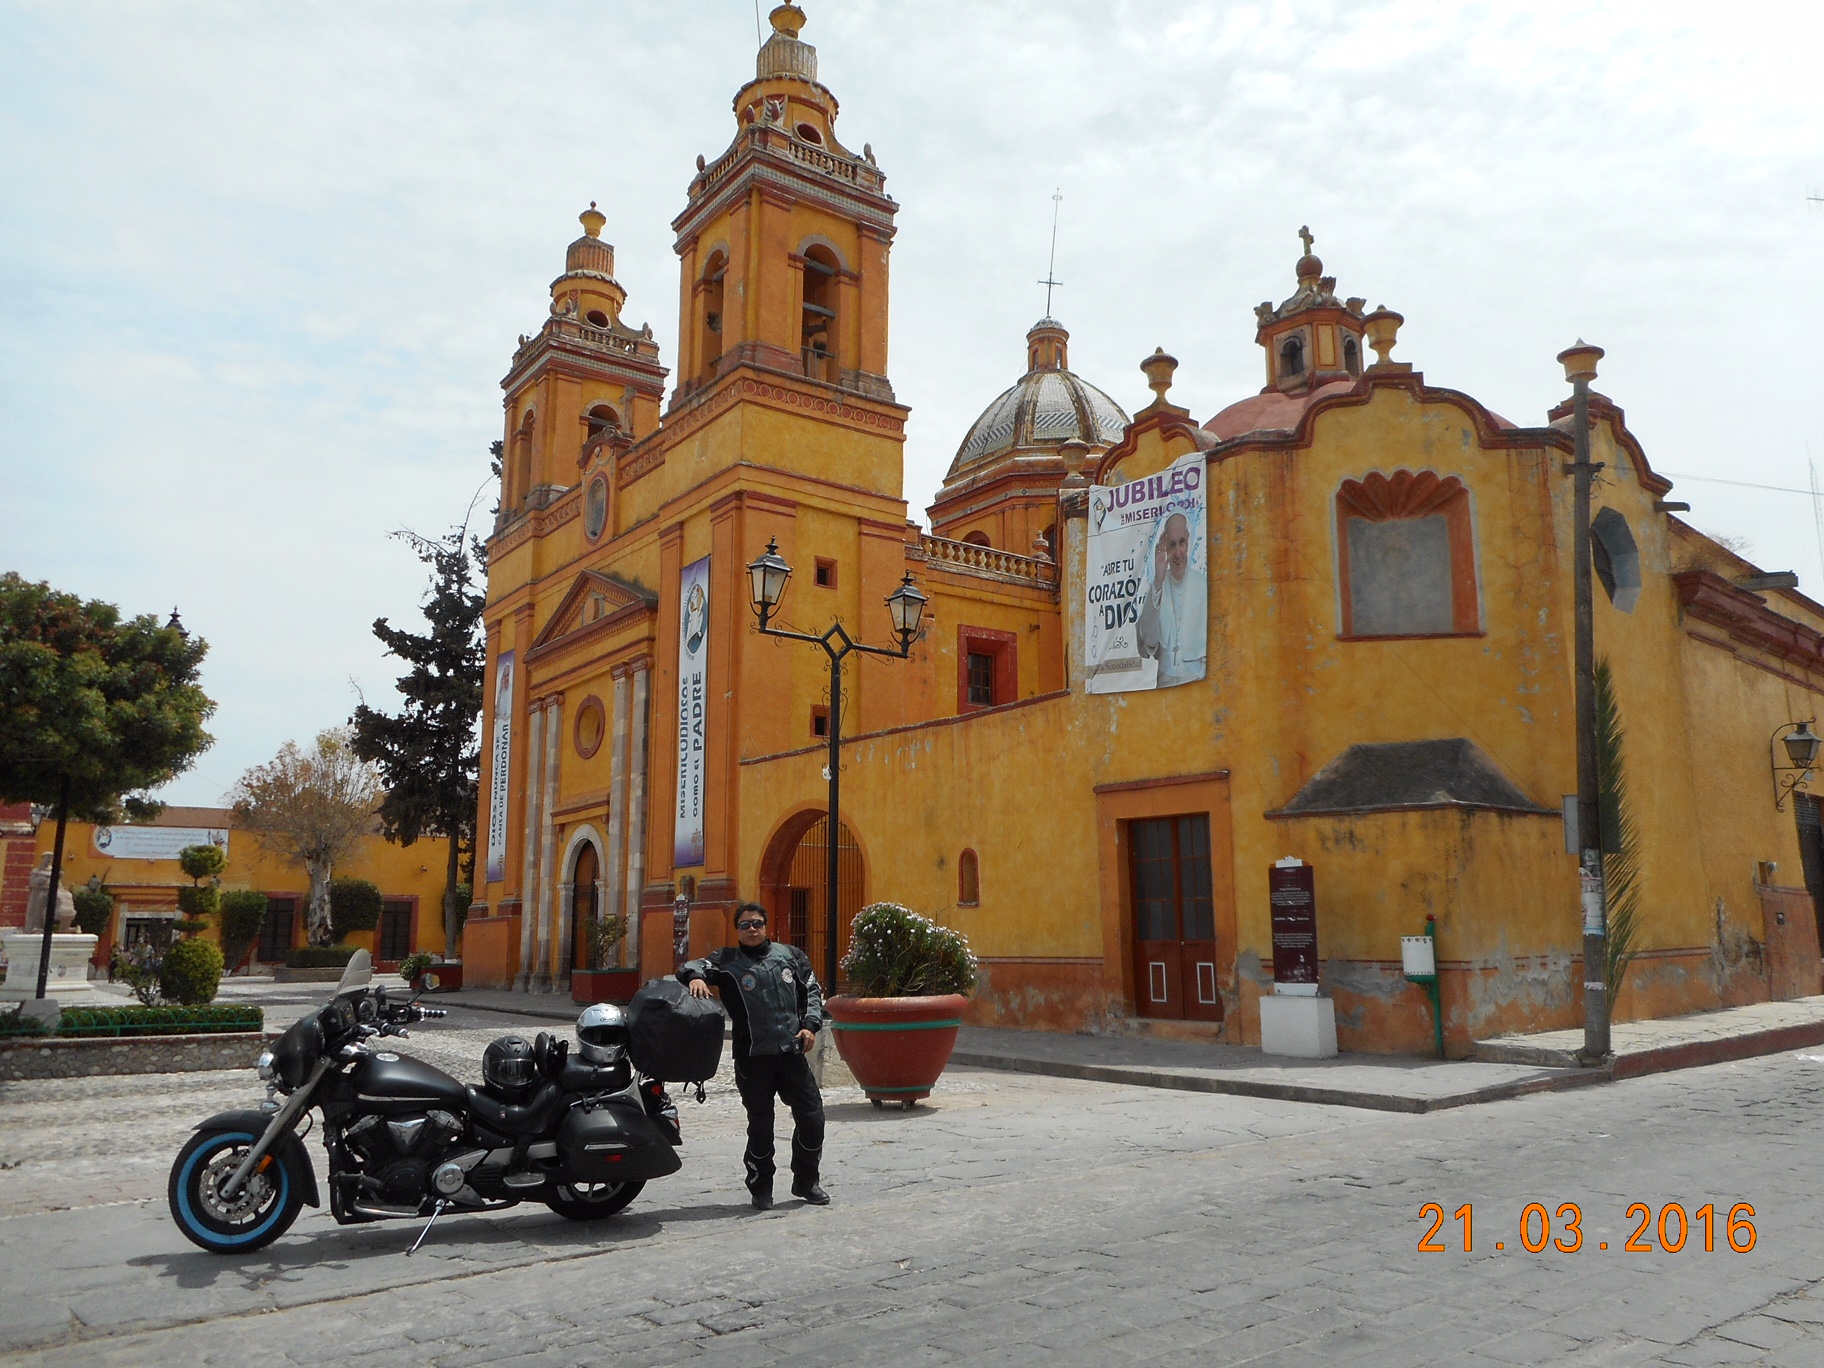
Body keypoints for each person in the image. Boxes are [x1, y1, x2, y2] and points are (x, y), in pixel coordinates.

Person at [678, 902, 828, 1209]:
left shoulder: (790, 956)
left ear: (766, 926)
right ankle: (761, 1188)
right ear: (737, 929)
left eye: (757, 923)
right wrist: (695, 977)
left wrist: (810, 1025)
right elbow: (690, 966)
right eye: (745, 924)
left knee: (812, 1117)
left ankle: (806, 1182)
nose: (752, 929)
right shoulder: (727, 961)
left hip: (791, 1054)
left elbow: (812, 991)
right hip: (752, 1058)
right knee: (761, 1125)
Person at [1135, 511, 1208, 688]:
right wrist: (1158, 580)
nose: (1177, 553)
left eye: (1181, 542)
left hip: (1197, 680)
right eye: (1172, 545)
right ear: (1165, 546)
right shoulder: (1158, 585)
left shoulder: (1202, 585)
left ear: (1188, 540)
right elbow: (1149, 638)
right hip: (1165, 682)